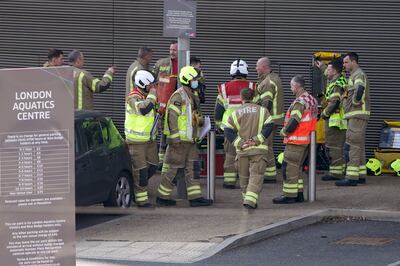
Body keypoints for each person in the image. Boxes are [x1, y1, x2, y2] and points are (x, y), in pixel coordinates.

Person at [156, 66, 212, 207]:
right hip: (179, 142)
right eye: (194, 80)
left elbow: (189, 118)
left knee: (193, 168)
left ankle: (195, 198)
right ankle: (162, 197)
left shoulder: (191, 96)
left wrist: (200, 122)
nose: (196, 82)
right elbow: (172, 117)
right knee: (173, 169)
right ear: (187, 80)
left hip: (190, 141)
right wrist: (174, 138)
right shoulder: (178, 96)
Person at [224, 88, 274, 209]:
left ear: (241, 98)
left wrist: (240, 143)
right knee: (256, 176)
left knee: (244, 179)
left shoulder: (236, 113)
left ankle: (248, 200)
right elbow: (269, 126)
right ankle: (250, 201)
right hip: (258, 150)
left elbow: (228, 130)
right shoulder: (263, 111)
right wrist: (257, 139)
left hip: (242, 151)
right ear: (254, 97)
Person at [273, 75, 318, 204]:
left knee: (288, 167)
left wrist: (284, 131)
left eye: (291, 86)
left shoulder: (300, 102)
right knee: (296, 168)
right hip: (306, 139)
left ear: (297, 86)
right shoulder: (311, 100)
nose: (291, 88)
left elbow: (294, 121)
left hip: (296, 140)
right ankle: (298, 194)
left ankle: (289, 195)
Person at [214, 59, 256, 189]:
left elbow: (218, 112)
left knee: (231, 155)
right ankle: (247, 183)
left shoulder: (223, 89)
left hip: (230, 129)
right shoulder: (253, 87)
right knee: (248, 155)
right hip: (249, 128)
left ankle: (229, 182)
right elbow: (259, 107)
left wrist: (220, 126)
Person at [125, 70, 159, 207]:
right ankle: (140, 199)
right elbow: (144, 109)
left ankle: (136, 187)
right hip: (136, 141)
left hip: (149, 140)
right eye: (151, 85)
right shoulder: (133, 97)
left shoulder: (146, 95)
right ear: (143, 84)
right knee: (141, 171)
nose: (154, 87)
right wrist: (152, 95)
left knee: (153, 165)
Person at [336, 52, 370, 186]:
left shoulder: (357, 74)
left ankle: (351, 177)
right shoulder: (356, 74)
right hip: (357, 115)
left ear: (353, 62)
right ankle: (360, 175)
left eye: (346, 62)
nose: (344, 65)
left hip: (356, 115)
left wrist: (356, 102)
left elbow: (360, 88)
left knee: (352, 145)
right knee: (359, 145)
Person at [254, 56, 284, 183]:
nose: (255, 68)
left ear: (264, 67)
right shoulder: (274, 78)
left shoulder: (267, 82)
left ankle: (270, 175)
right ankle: (270, 173)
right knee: (268, 145)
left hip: (269, 120)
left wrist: (262, 120)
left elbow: (266, 104)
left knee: (266, 145)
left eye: (257, 66)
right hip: (275, 119)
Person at [318, 59, 348, 181]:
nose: (327, 72)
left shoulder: (336, 85)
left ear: (335, 71)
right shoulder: (337, 79)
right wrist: (322, 66)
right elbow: (327, 72)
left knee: (334, 146)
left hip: (335, 121)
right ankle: (338, 170)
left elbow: (334, 103)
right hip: (335, 121)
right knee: (335, 146)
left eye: (329, 70)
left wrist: (323, 114)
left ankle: (336, 173)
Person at [153, 41, 178, 163]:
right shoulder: (161, 63)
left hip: (177, 105)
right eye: (170, 49)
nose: (171, 52)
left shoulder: (184, 63)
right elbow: (154, 82)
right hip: (163, 105)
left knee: (174, 133)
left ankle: (171, 158)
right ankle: (162, 161)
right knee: (163, 132)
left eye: (174, 50)